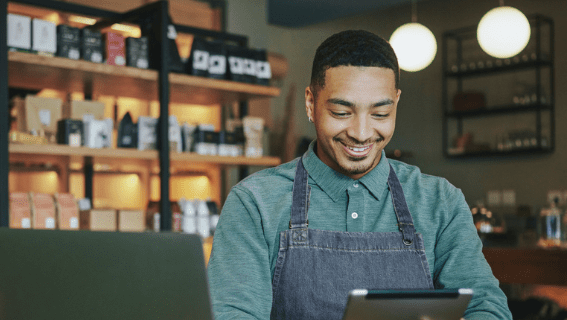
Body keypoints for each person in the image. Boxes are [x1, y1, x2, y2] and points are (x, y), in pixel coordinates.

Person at [207, 30, 512, 320]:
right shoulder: (254, 204)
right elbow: (232, 313)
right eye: (342, 113)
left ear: (396, 103)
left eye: (380, 114)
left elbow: (486, 307)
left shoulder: (440, 201)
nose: (362, 133)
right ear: (311, 104)